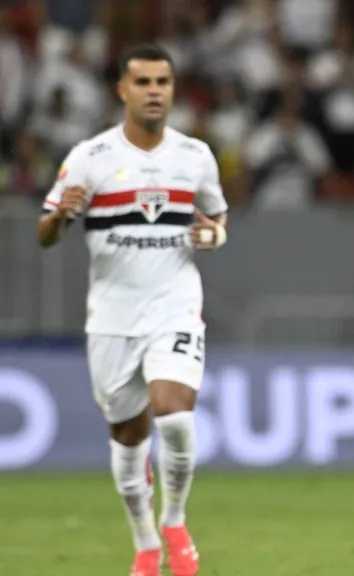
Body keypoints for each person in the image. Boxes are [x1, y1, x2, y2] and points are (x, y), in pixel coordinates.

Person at [36, 44, 228, 576]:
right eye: (142, 82)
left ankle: (174, 520)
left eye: (162, 82)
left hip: (175, 305)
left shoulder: (195, 156)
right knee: (127, 436)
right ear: (123, 90)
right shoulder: (90, 157)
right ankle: (145, 542)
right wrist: (59, 220)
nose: (154, 91)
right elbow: (46, 232)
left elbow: (218, 221)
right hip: (113, 318)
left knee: (176, 416)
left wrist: (211, 235)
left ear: (172, 89)